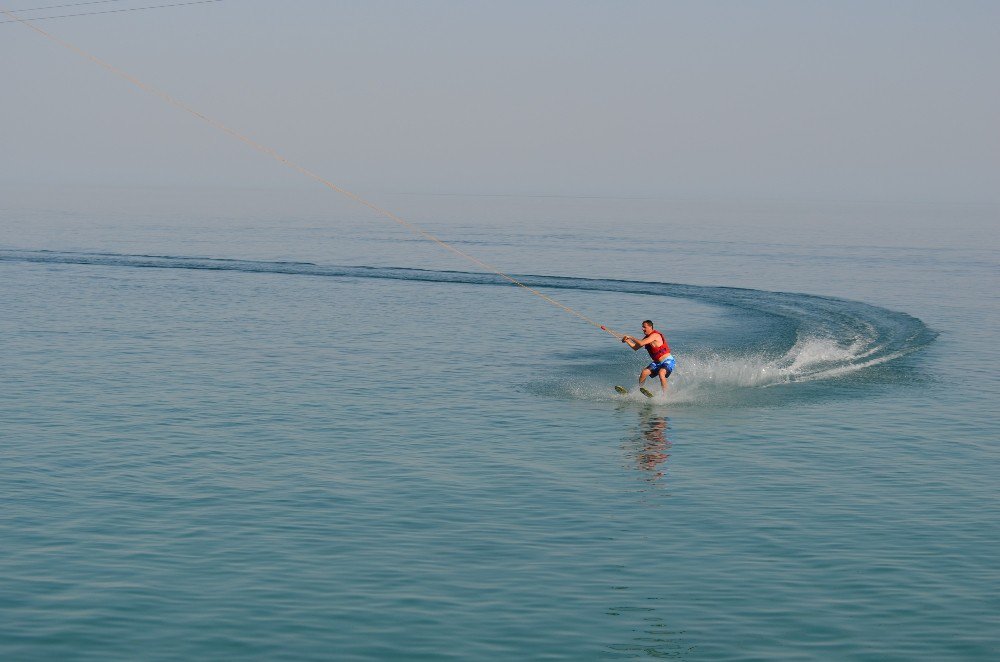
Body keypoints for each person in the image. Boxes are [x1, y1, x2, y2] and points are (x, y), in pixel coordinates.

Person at [621, 320, 675, 395]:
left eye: (644, 327)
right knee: (644, 372)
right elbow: (635, 347)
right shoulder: (646, 338)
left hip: (668, 360)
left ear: (650, 327)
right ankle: (639, 391)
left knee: (661, 373)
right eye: (642, 327)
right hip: (657, 362)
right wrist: (627, 340)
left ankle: (666, 395)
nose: (642, 329)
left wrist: (630, 337)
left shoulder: (655, 335)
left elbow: (641, 343)